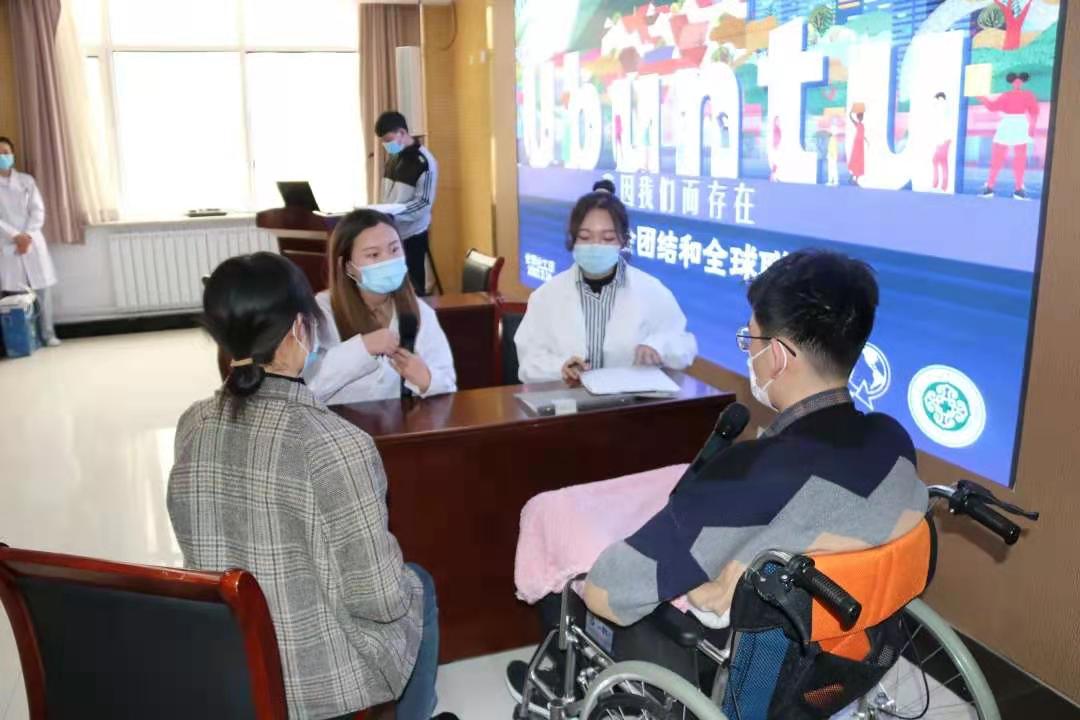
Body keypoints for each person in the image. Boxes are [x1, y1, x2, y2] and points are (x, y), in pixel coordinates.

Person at [168, 252, 454, 720]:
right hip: (318, 681)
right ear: (301, 329)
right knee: (415, 582)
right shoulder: (338, 445)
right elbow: (379, 598)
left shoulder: (192, 423)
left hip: (231, 658)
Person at [580, 249, 929, 626]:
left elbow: (608, 594)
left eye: (751, 338)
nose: (750, 350)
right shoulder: (893, 442)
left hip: (745, 653)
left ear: (777, 355)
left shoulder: (748, 473)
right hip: (855, 644)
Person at [514, 191, 697, 384]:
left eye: (608, 238)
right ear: (572, 240)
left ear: (623, 240)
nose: (595, 246)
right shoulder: (545, 296)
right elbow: (528, 362)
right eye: (585, 237)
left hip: (628, 400)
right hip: (567, 399)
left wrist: (658, 346)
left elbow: (683, 343)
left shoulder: (651, 291)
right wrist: (560, 367)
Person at [304, 208, 456, 405]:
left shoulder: (418, 311)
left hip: (400, 422)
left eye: (394, 249)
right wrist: (364, 347)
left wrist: (426, 379)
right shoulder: (321, 312)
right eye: (374, 255)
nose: (388, 260)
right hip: (337, 423)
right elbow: (308, 386)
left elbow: (448, 385)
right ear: (348, 266)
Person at [0, 136, 60, 346]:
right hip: (8, 243)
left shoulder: (27, 181)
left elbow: (38, 210)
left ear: (13, 155)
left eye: (6, 152)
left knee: (43, 292)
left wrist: (27, 235)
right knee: (17, 296)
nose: (2, 157)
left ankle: (48, 334)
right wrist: (15, 236)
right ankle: (27, 339)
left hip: (32, 241)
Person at [375, 111, 438, 295]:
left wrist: (392, 215)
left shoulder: (424, 161)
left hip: (412, 235)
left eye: (388, 140)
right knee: (392, 289)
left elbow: (423, 204)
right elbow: (387, 196)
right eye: (383, 142)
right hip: (392, 233)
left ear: (402, 133)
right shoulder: (393, 158)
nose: (386, 145)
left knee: (413, 291)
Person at [979, 72, 1039, 200]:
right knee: (1007, 157)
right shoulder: (1015, 95)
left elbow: (992, 106)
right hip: (1014, 124)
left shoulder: (1017, 95)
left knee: (1011, 157)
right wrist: (981, 97)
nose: (1017, 82)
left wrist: (981, 97)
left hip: (1014, 124)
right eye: (1015, 80)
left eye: (1019, 80)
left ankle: (998, 188)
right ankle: (1008, 188)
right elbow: (1034, 112)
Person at [931, 92, 952, 192]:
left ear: (940, 99)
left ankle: (937, 184)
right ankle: (943, 185)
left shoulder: (941, 108)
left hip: (943, 140)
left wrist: (940, 142)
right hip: (945, 139)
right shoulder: (944, 108)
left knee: (937, 160)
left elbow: (941, 126)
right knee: (942, 162)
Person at [848, 108, 868, 186]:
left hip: (860, 144)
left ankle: (855, 179)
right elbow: (851, 118)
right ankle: (852, 177)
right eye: (860, 117)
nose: (861, 118)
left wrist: (866, 140)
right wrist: (851, 112)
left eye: (862, 117)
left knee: (860, 161)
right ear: (858, 117)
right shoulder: (857, 124)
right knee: (855, 159)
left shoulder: (862, 125)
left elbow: (862, 134)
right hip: (857, 143)